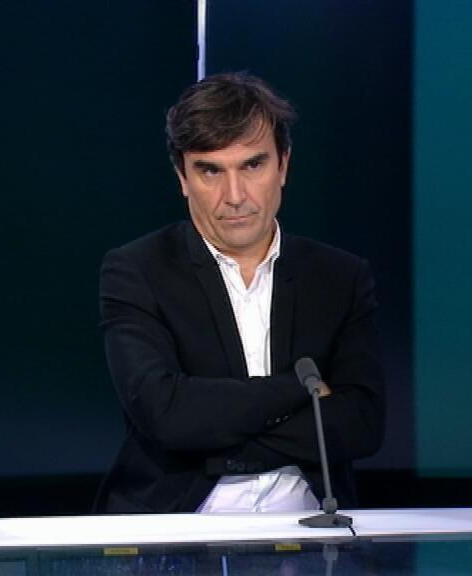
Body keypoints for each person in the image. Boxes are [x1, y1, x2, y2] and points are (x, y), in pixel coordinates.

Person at [94, 72, 384, 514]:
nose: (234, 196)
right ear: (182, 177)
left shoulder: (339, 276)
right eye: (210, 170)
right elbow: (166, 416)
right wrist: (298, 389)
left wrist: (216, 432)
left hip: (310, 525)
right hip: (176, 528)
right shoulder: (138, 270)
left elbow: (361, 424)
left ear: (283, 166)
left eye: (252, 165)